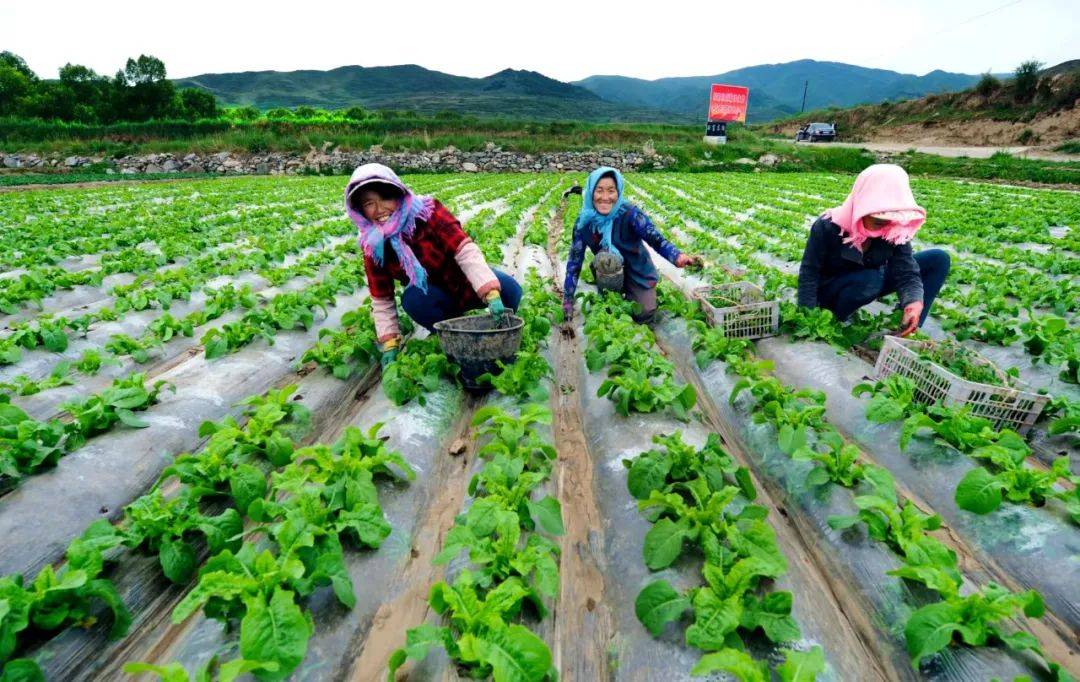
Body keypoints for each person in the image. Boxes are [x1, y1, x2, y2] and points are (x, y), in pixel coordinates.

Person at [344, 163, 522, 367]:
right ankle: (453, 332)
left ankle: (499, 327)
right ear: (359, 210)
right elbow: (381, 296)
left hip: (463, 282)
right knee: (413, 299)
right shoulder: (373, 244)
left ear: (398, 194)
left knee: (510, 291)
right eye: (369, 203)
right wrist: (390, 343)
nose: (379, 209)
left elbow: (464, 250)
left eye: (385, 198)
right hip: (433, 296)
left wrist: (490, 292)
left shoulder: (428, 212)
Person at [796, 163, 950, 337]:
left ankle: (906, 329)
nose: (885, 223)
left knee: (938, 259)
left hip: (874, 279)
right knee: (870, 278)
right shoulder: (828, 226)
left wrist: (913, 301)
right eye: (878, 218)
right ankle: (837, 318)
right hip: (834, 289)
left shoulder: (893, 229)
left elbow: (906, 270)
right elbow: (809, 273)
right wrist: (808, 318)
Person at [562, 167, 702, 324]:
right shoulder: (584, 223)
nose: (605, 197)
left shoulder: (630, 214)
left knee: (644, 313)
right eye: (599, 190)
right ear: (590, 192)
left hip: (638, 270)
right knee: (606, 262)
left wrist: (677, 256)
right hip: (609, 269)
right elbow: (574, 263)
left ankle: (633, 292)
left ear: (618, 191)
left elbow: (655, 238)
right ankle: (610, 293)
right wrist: (567, 300)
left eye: (611, 191)